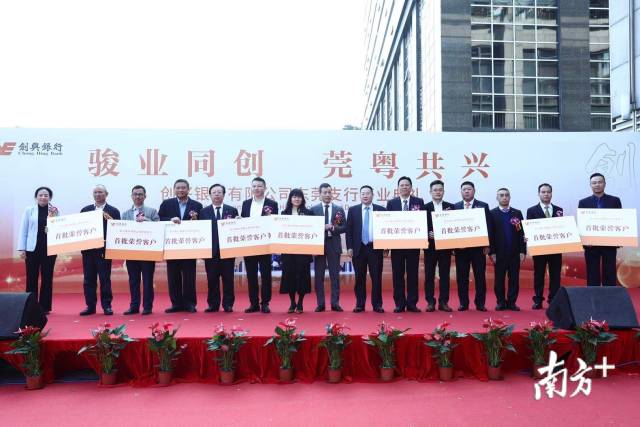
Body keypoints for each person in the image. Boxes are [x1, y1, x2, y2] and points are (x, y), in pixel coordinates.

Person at [158, 179, 203, 313]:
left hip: (189, 246)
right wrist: (170, 220)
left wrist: (196, 220)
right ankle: (176, 304)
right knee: (173, 277)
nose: (181, 190)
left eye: (183, 188)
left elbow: (203, 224)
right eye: (178, 188)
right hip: (172, 246)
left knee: (189, 277)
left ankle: (190, 304)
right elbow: (159, 219)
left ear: (188, 189)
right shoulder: (166, 204)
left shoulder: (197, 205)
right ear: (174, 189)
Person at [79, 184, 121, 316]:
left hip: (104, 250)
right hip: (88, 251)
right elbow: (80, 229)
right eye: (95, 192)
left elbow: (118, 230)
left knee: (105, 279)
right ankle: (90, 306)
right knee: (88, 279)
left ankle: (107, 306)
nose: (98, 194)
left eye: (100, 192)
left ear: (106, 194)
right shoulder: (85, 210)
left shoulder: (113, 211)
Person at [386, 176, 425, 313]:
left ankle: (412, 303)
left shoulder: (418, 202)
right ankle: (399, 303)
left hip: (413, 245)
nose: (404, 187)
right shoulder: (391, 203)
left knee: (413, 275)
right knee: (397, 275)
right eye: (401, 185)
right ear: (398, 188)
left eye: (407, 185)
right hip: (397, 246)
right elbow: (387, 223)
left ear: (411, 187)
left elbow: (422, 221)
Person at [240, 177, 279, 313]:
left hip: (265, 244)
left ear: (265, 188)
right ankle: (254, 303)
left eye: (259, 186)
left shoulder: (272, 204)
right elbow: (243, 222)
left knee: (266, 275)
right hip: (250, 244)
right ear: (251, 188)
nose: (256, 188)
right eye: (254, 186)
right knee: (251, 275)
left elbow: (275, 223)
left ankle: (265, 303)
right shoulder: (246, 204)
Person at [17, 186, 59, 314]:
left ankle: (45, 307)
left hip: (49, 249)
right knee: (31, 277)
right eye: (40, 195)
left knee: (47, 278)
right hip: (32, 249)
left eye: (46, 195)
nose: (43, 197)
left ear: (50, 198)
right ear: (36, 197)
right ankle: (31, 306)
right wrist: (22, 248)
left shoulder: (55, 210)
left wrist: (52, 229)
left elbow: (60, 229)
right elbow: (23, 229)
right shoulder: (29, 210)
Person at [346, 185, 386, 313]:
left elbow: (385, 229)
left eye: (368, 193)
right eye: (362, 193)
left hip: (375, 248)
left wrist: (386, 246)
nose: (365, 196)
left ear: (372, 195)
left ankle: (377, 305)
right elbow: (349, 231)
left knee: (376, 277)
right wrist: (349, 247)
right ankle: (360, 304)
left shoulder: (381, 210)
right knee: (359, 278)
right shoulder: (353, 210)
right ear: (360, 195)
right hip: (359, 249)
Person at [453, 181, 492, 312]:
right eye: (464, 189)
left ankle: (480, 303)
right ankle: (463, 303)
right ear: (461, 192)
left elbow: (488, 226)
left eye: (469, 189)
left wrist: (487, 245)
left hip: (478, 249)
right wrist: (453, 246)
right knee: (462, 277)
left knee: (480, 276)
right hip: (461, 249)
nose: (467, 191)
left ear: (474, 191)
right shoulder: (455, 207)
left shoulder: (483, 206)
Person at [578, 173, 622, 286]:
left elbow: (620, 220)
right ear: (590, 185)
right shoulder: (583, 202)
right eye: (594, 183)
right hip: (591, 245)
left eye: (599, 182)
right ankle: (594, 295)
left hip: (609, 243)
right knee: (592, 273)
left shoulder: (615, 201)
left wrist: (620, 239)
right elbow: (582, 223)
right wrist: (584, 241)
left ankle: (609, 295)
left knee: (610, 272)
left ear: (604, 184)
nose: (597, 185)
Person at [121, 185, 159, 315]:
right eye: (135, 194)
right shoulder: (126, 214)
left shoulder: (152, 211)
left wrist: (146, 220)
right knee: (133, 281)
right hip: (131, 252)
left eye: (140, 194)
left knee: (147, 281)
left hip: (148, 252)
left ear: (145, 196)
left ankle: (147, 306)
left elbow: (159, 228)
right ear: (131, 196)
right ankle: (134, 306)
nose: (138, 196)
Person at [200, 184, 238, 313]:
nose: (217, 194)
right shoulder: (203, 212)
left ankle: (228, 304)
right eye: (214, 192)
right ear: (210, 195)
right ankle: (213, 304)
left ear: (224, 194)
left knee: (228, 279)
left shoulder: (232, 210)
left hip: (227, 251)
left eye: (219, 192)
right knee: (212, 279)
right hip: (211, 252)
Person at [526, 183, 564, 309]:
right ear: (539, 194)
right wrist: (528, 236)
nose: (546, 194)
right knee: (539, 275)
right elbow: (529, 229)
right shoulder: (531, 210)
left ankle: (553, 299)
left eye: (548, 192)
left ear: (551, 194)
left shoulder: (559, 210)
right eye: (543, 192)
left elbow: (561, 228)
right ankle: (538, 300)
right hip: (539, 249)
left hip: (555, 248)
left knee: (555, 275)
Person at [311, 183, 346, 312]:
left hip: (333, 244)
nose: (327, 195)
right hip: (319, 245)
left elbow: (344, 227)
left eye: (329, 192)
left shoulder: (339, 209)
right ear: (320, 194)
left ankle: (335, 303)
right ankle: (320, 304)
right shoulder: (313, 209)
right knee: (319, 276)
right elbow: (310, 227)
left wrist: (333, 228)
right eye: (324, 192)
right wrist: (323, 227)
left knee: (334, 276)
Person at [489, 188, 526, 311]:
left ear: (510, 197)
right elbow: (490, 235)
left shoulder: (517, 213)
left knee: (514, 279)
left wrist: (522, 251)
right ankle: (500, 302)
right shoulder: (492, 213)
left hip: (515, 253)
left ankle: (511, 302)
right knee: (499, 279)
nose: (504, 197)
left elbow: (521, 233)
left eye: (506, 195)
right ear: (497, 198)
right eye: (501, 195)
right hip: (499, 253)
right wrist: (492, 252)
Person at [279, 189, 313, 314]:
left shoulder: (309, 213)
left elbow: (313, 230)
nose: (297, 199)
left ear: (302, 199)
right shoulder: (284, 213)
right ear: (290, 199)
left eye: (299, 197)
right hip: (288, 252)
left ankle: (300, 303)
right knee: (290, 277)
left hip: (303, 252)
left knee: (302, 277)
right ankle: (292, 302)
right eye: (294, 197)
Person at [424, 180, 454, 312]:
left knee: (445, 275)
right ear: (430, 192)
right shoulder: (424, 207)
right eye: (435, 190)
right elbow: (419, 226)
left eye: (440, 190)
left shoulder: (451, 207)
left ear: (443, 192)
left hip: (445, 247)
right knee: (429, 275)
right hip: (430, 247)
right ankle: (430, 302)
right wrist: (427, 233)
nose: (438, 192)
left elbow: (455, 226)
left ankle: (443, 302)